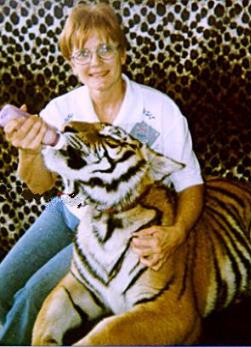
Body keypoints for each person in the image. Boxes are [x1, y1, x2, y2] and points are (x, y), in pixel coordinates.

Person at [0, 3, 204, 345]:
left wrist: (178, 232)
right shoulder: (61, 110)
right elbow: (39, 186)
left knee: (34, 297)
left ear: (123, 54)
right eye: (82, 54)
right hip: (67, 210)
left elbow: (190, 183)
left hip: (119, 227)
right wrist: (28, 150)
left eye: (105, 49)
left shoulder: (161, 110)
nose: (95, 62)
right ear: (71, 64)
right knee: (3, 282)